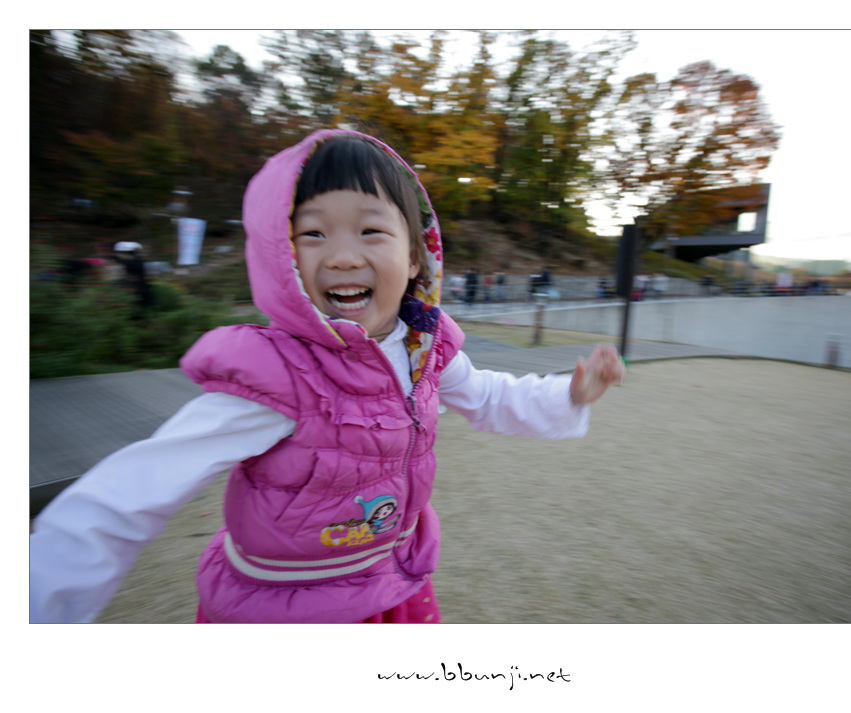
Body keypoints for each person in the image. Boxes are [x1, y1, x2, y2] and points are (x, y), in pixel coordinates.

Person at [29, 129, 625, 624]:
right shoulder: (277, 373)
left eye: (371, 231)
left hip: (392, 581)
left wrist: (567, 393)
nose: (341, 256)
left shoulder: (425, 346)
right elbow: (136, 487)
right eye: (312, 233)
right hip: (289, 606)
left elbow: (487, 396)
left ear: (415, 256)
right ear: (280, 256)